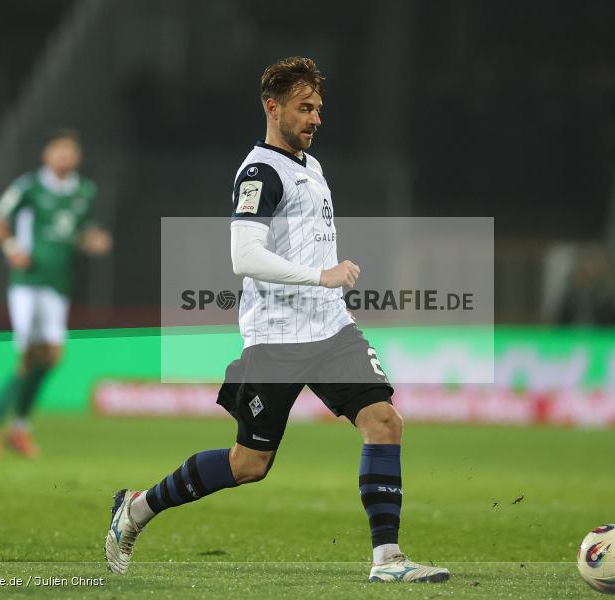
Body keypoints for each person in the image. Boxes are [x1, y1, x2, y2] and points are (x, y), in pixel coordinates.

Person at [105, 57, 449, 584]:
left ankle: (388, 560)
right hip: (276, 339)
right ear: (273, 107)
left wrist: (328, 291)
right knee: (249, 464)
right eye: (304, 108)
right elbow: (245, 257)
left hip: (331, 330)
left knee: (384, 422)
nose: (315, 119)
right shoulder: (260, 172)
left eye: (318, 109)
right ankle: (137, 509)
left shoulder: (310, 166)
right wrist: (321, 276)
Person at [0, 130, 111, 458]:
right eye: (58, 149)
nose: (64, 156)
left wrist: (93, 240)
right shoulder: (28, 186)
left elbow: (77, 232)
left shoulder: (84, 191)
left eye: (70, 151)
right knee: (30, 357)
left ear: (78, 157)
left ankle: (18, 428)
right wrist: (11, 246)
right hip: (28, 282)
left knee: (52, 358)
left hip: (57, 285)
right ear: (47, 154)